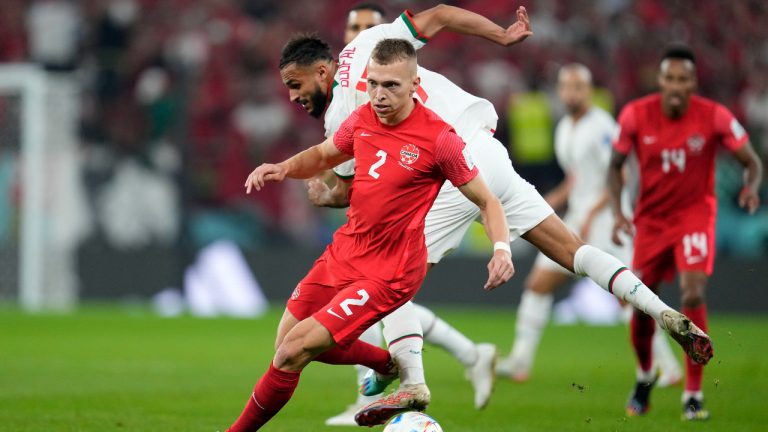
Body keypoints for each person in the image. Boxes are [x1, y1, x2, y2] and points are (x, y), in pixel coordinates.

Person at [278, 4, 712, 426]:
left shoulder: (340, 118)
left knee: (385, 276)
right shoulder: (369, 45)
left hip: (453, 165)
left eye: (295, 86)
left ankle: (411, 380)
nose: (295, 97)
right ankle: (659, 309)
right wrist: (502, 35)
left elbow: (359, 193)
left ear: (321, 72)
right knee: (573, 250)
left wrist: (325, 195)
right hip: (490, 151)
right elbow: (443, 13)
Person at [227, 38, 514, 432]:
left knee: (292, 353)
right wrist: (283, 167)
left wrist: (501, 250)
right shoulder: (363, 117)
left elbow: (488, 201)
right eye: (374, 83)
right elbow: (325, 154)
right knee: (285, 343)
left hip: (388, 271)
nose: (379, 94)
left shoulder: (439, 139)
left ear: (415, 84)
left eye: (391, 86)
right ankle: (387, 364)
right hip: (346, 250)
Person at [324, 4, 500, 425]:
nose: (363, 35)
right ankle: (469, 354)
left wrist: (502, 35)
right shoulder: (347, 103)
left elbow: (439, 14)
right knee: (375, 293)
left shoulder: (395, 85)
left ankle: (409, 383)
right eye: (355, 28)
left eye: (370, 27)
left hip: (446, 170)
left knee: (378, 286)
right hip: (433, 179)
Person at [497, 64, 682, 386]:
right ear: (559, 91)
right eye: (566, 86)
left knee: (630, 297)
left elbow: (621, 174)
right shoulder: (565, 127)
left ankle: (668, 367)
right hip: (577, 220)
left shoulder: (602, 127)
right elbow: (576, 178)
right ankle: (520, 362)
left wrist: (593, 212)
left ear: (589, 90)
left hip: (608, 222)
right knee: (538, 285)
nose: (572, 92)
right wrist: (550, 200)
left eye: (578, 87)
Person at [608, 45, 763, 421]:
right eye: (670, 78)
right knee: (643, 305)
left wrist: (751, 187)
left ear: (693, 82)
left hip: (694, 217)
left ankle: (692, 394)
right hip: (651, 221)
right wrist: (618, 213)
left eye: (684, 79)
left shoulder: (714, 116)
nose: (676, 85)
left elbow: (752, 161)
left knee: (693, 292)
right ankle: (645, 375)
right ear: (661, 81)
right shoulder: (635, 115)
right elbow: (614, 168)